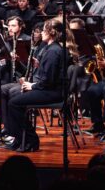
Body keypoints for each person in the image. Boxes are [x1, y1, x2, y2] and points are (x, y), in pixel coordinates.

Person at [7, 19, 67, 152]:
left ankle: (30, 139)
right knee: (15, 97)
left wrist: (32, 86)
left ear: (51, 32)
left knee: (14, 103)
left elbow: (49, 81)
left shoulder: (53, 51)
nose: (42, 33)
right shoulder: (51, 48)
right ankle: (19, 139)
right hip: (50, 89)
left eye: (45, 30)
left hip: (52, 92)